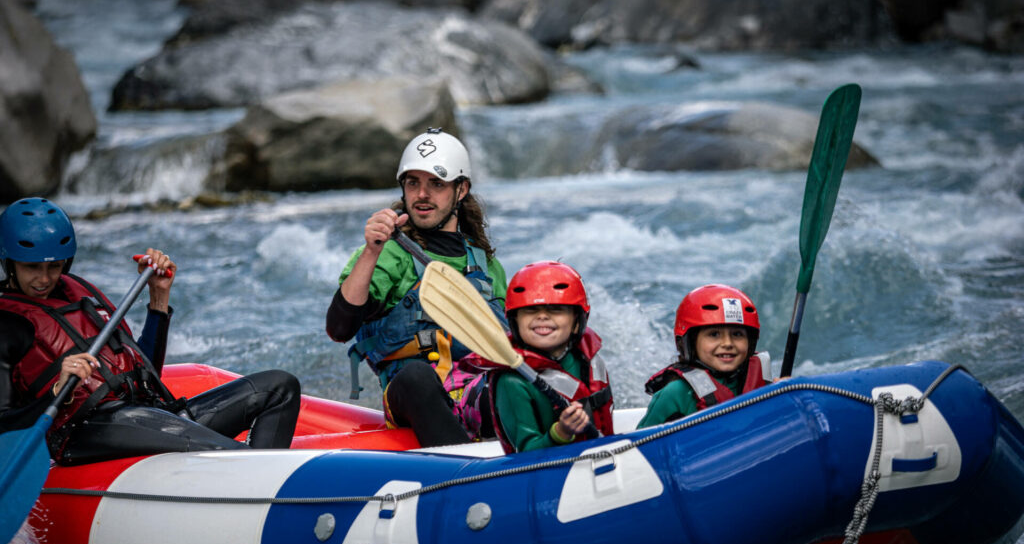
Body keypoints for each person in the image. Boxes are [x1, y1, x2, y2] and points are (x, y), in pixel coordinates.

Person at [0, 197, 301, 465]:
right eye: (32, 267)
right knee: (227, 453)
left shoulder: (80, 294)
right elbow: (3, 424)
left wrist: (159, 299)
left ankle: (256, 488)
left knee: (280, 387)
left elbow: (146, 370)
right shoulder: (6, 324)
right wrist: (57, 390)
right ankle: (256, 482)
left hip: (149, 413)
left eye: (53, 267)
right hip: (84, 430)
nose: (44, 278)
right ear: (8, 262)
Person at [325, 128, 508, 447]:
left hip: (475, 395)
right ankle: (466, 473)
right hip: (411, 397)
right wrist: (371, 251)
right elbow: (339, 327)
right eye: (413, 183)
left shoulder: (485, 265)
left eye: (436, 183)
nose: (422, 194)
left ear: (461, 189)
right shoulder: (388, 252)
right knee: (416, 378)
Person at [455, 260, 614, 453]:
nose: (542, 316)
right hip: (549, 473)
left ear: (576, 322)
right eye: (530, 310)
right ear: (515, 322)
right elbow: (526, 453)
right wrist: (561, 432)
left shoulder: (588, 360)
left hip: (600, 455)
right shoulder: (512, 382)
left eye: (556, 309)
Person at [638, 283, 771, 427]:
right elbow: (637, 447)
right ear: (688, 343)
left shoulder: (765, 386)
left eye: (737, 334)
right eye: (714, 334)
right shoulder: (675, 394)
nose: (727, 343)